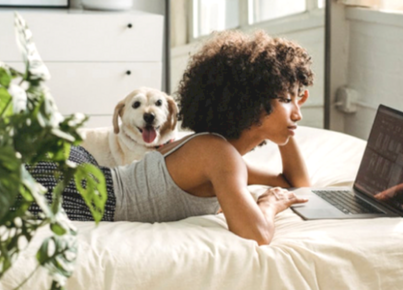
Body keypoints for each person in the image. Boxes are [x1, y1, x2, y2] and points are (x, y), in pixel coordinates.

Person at [27, 30, 314, 245]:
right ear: (251, 102)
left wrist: (288, 125)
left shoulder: (219, 154)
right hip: (77, 190)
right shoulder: (219, 155)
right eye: (286, 99)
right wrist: (269, 204)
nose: (297, 113)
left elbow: (296, 184)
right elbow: (258, 234)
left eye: (296, 101)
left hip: (84, 177)